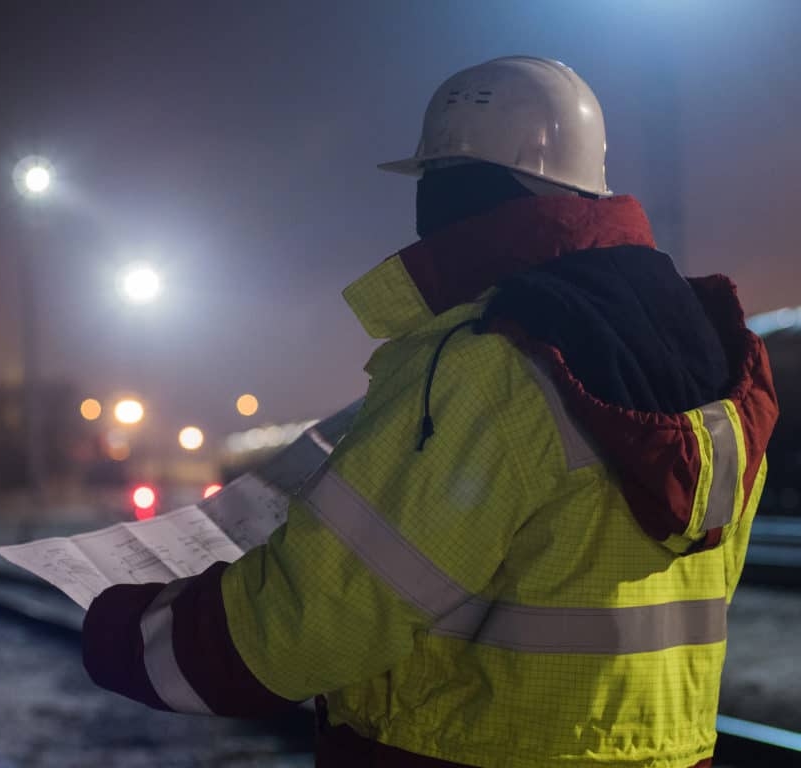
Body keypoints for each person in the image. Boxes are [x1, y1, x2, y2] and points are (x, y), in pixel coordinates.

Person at [82, 56, 778, 767]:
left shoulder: (486, 365)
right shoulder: (710, 355)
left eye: (440, 182)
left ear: (467, 192)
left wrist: (123, 634)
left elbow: (315, 618)